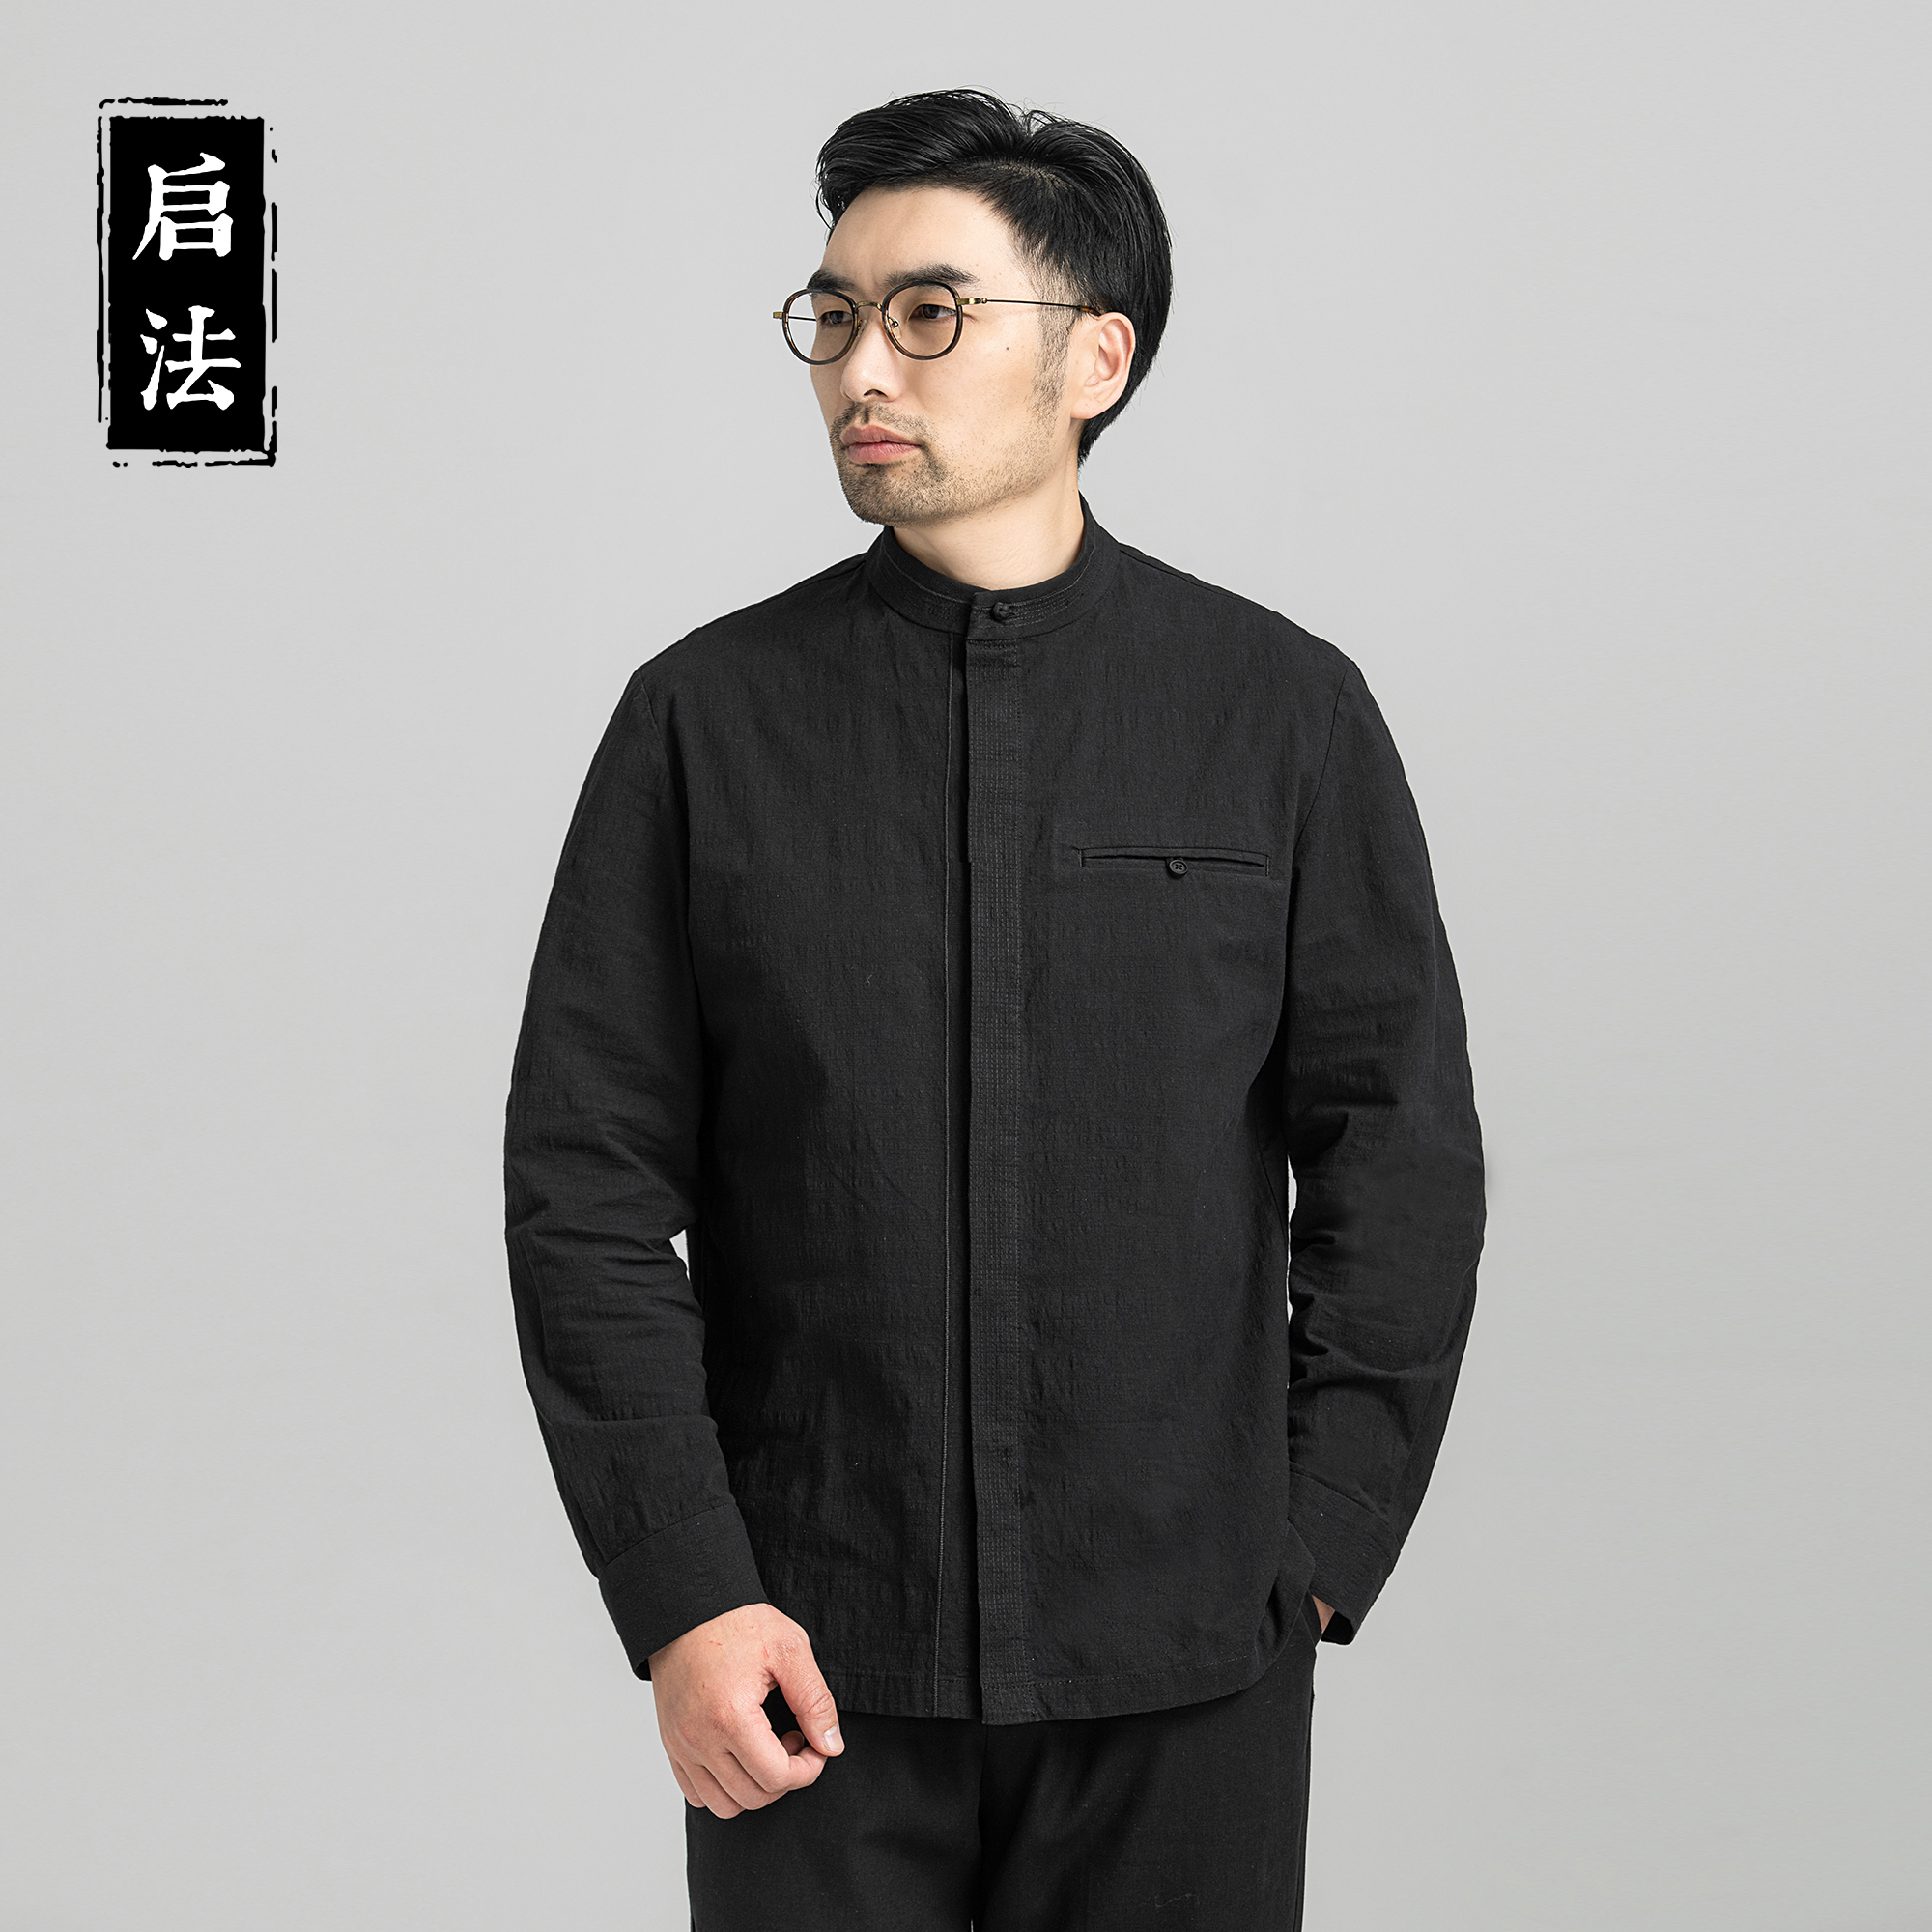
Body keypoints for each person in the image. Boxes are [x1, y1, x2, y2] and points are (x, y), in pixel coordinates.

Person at [504, 86, 1485, 1930]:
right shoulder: (702, 722)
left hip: (1192, 1657)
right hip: (807, 1659)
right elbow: (584, 1191)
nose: (863, 366)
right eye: (833, 316)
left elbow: (1399, 1152)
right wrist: (686, 1592)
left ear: (1096, 357)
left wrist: (1320, 1543)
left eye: (930, 313)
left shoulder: (1281, 713)